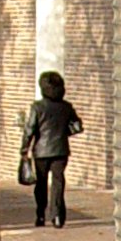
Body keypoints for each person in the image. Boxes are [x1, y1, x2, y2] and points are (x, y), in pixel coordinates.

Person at [20, 71, 83, 227]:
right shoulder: (66, 107)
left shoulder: (38, 107)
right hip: (61, 149)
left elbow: (30, 129)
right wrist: (64, 133)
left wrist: (24, 148)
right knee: (58, 182)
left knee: (41, 183)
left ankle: (40, 214)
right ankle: (57, 216)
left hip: (41, 150)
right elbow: (77, 126)